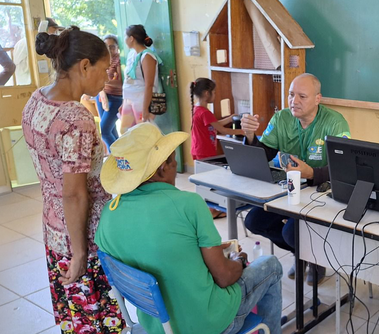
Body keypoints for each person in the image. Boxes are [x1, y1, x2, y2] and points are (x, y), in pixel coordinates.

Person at [95, 123, 283, 334]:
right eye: (174, 160)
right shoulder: (189, 204)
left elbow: (155, 253)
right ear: (163, 167)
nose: (175, 166)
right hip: (207, 323)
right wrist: (238, 262)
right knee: (271, 265)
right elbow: (224, 277)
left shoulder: (109, 215)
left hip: (156, 326)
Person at [22, 27, 125, 333]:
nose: (107, 78)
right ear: (84, 66)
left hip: (53, 228)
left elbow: (54, 167)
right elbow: (75, 194)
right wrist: (80, 253)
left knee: (73, 317)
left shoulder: (37, 100)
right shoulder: (75, 118)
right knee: (98, 319)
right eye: (104, 70)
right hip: (83, 236)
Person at [241, 73, 351, 285]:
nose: (294, 101)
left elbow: (343, 168)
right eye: (291, 95)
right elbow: (264, 154)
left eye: (302, 96)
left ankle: (314, 260)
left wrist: (311, 174)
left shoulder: (335, 123)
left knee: (291, 232)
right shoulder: (281, 118)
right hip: (287, 189)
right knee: (253, 221)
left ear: (317, 99)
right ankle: (302, 255)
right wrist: (250, 137)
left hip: (321, 193)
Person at [190, 77, 238, 219]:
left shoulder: (197, 110)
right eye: (214, 92)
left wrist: (230, 118)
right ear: (206, 93)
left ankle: (208, 208)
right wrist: (244, 132)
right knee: (212, 181)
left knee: (205, 180)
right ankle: (212, 210)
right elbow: (223, 130)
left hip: (197, 149)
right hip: (205, 151)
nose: (215, 95)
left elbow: (214, 124)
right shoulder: (205, 112)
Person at [120, 24, 161, 133]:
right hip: (130, 98)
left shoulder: (147, 56)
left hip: (141, 99)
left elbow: (149, 85)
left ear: (131, 38)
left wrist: (145, 109)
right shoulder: (132, 54)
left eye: (125, 37)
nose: (124, 40)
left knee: (144, 134)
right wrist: (124, 101)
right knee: (125, 131)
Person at [13, 17, 63, 86]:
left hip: (22, 84)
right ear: (45, 27)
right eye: (54, 29)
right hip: (36, 84)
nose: (55, 32)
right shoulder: (39, 44)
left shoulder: (20, 43)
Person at [95, 34, 123, 151]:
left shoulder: (119, 61)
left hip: (115, 98)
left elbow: (121, 83)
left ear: (117, 47)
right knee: (111, 130)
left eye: (112, 47)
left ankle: (118, 158)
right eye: (106, 46)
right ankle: (120, 157)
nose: (109, 49)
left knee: (105, 130)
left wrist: (104, 82)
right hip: (101, 96)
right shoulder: (100, 59)